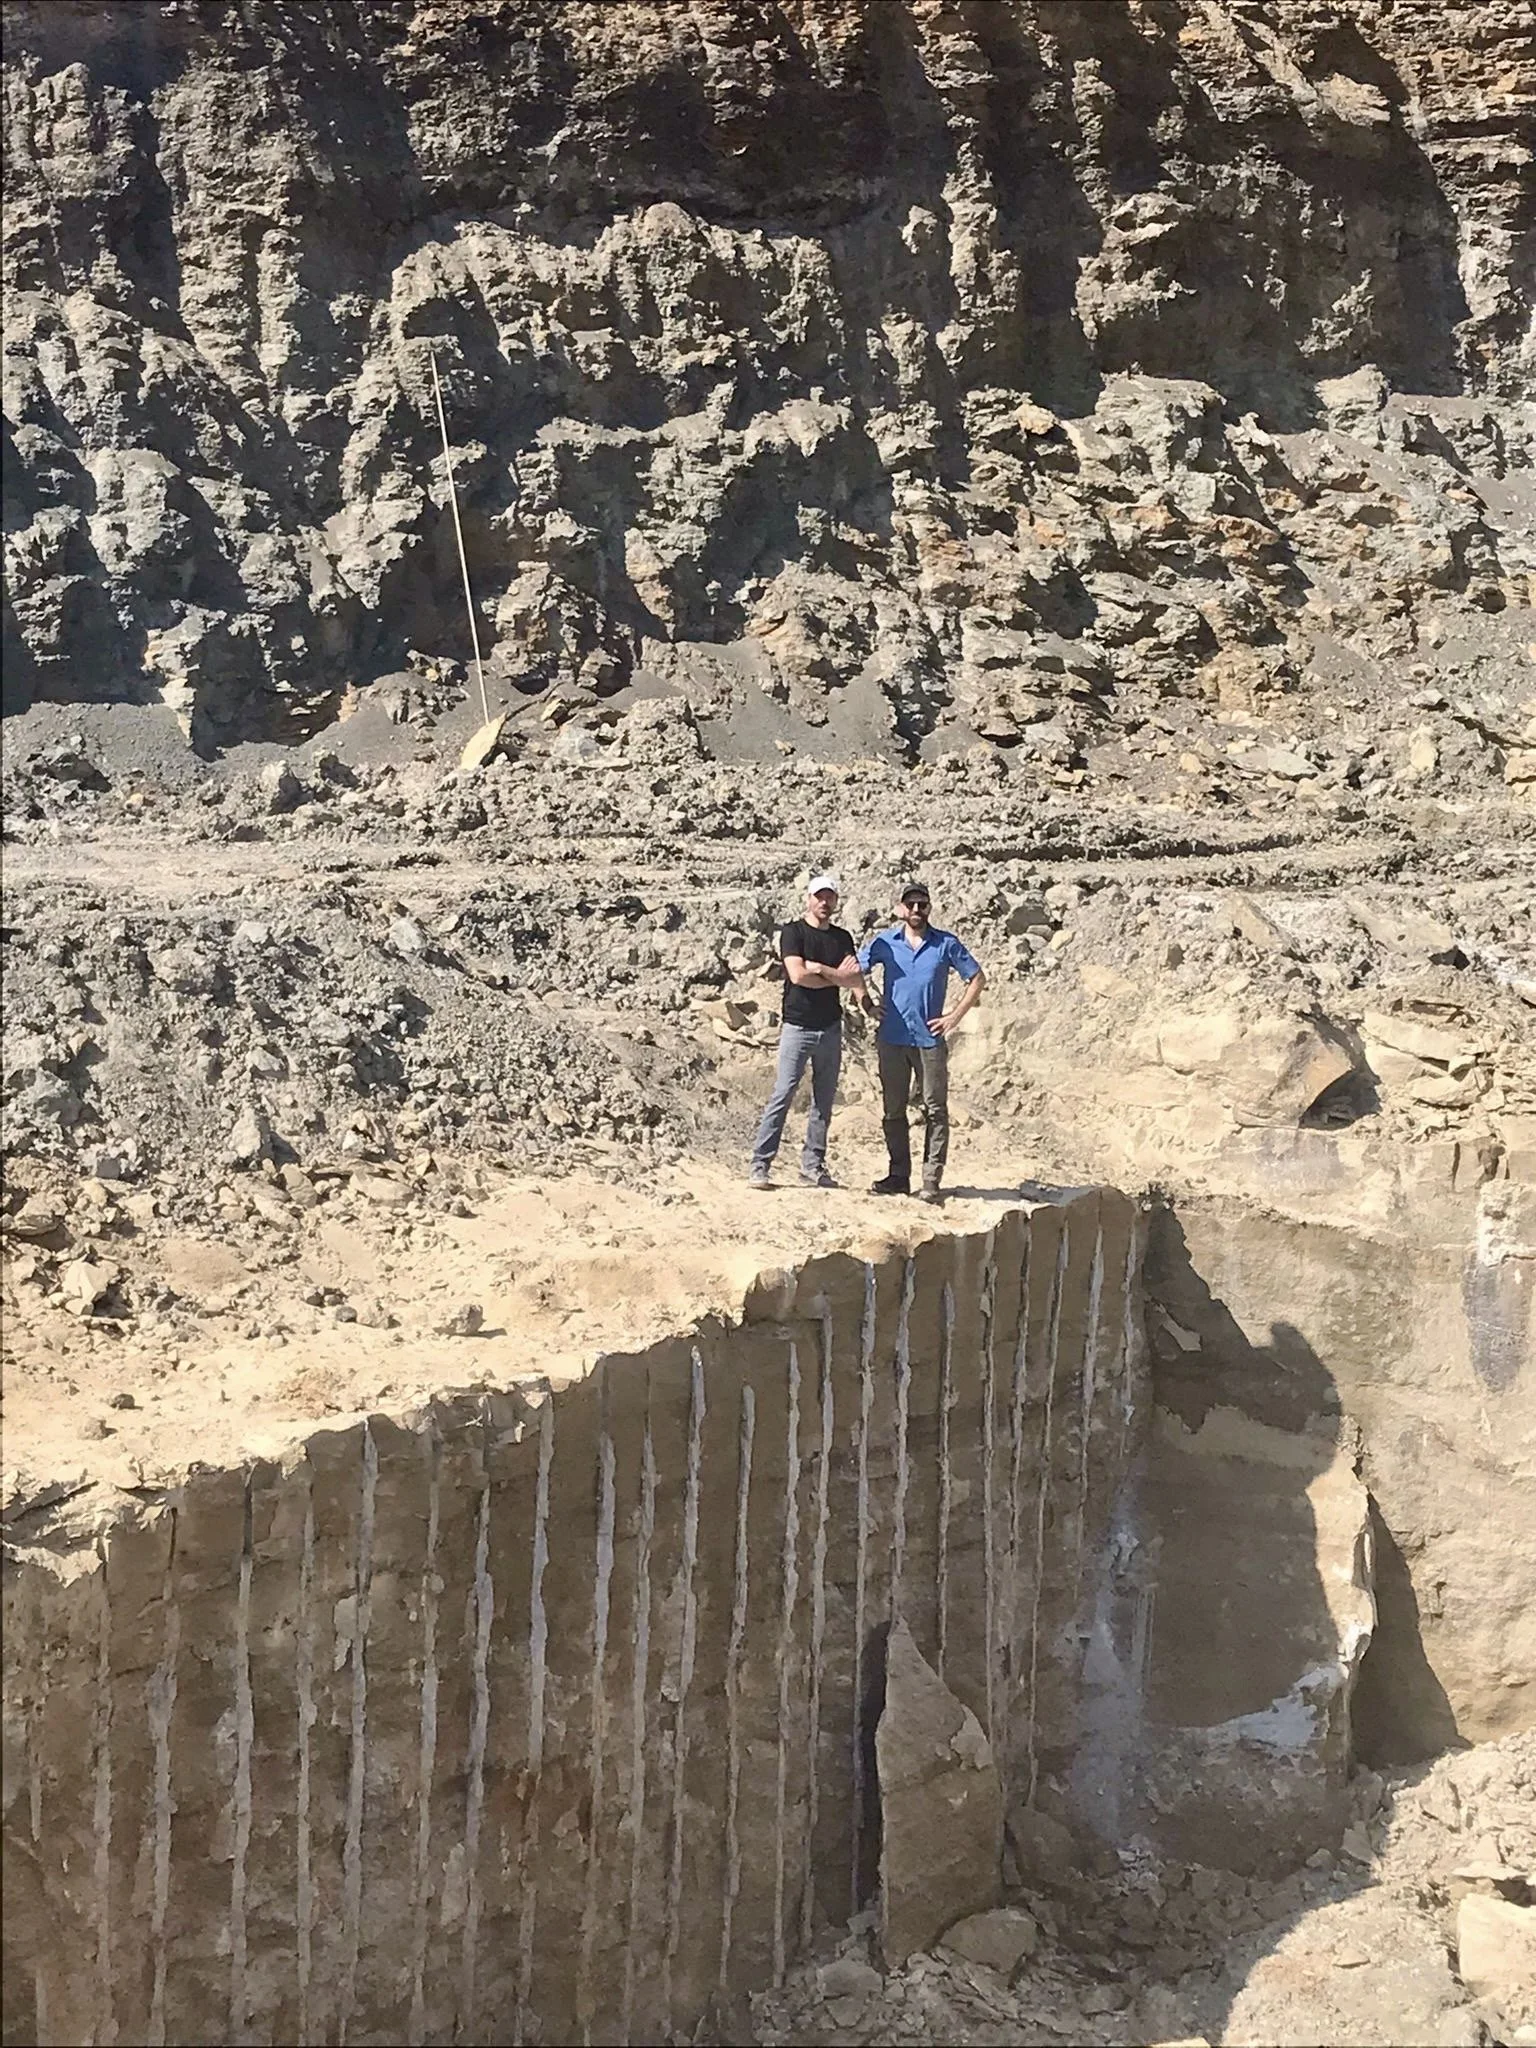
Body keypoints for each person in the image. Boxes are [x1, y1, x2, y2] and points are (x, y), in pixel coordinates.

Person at [859, 882, 984, 1204]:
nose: (916, 910)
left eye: (922, 905)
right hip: (892, 1038)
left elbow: (977, 978)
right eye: (911, 905)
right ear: (901, 908)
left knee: (935, 1109)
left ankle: (931, 1180)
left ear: (929, 908)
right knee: (893, 1110)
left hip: (929, 1039)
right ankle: (898, 1176)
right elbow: (854, 971)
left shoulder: (945, 944)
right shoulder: (886, 942)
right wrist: (868, 1004)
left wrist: (954, 1016)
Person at [748, 874, 867, 1189]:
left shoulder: (842, 938)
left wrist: (827, 972)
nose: (824, 903)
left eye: (830, 897)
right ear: (809, 899)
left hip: (830, 1027)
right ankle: (760, 1165)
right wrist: (838, 976)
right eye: (819, 897)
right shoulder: (793, 932)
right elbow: (799, 976)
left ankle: (812, 1167)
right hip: (798, 1026)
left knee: (824, 1101)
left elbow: (854, 979)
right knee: (783, 1092)